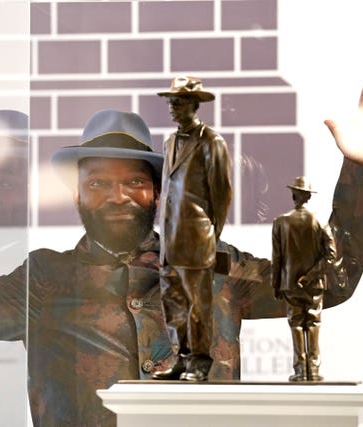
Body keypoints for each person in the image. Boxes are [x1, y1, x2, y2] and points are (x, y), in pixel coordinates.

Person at [0, 83, 363, 426]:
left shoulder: (214, 269)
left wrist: (361, 170)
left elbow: (324, 284)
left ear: (157, 195)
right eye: (97, 182)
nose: (116, 196)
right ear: (78, 196)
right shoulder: (45, 279)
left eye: (133, 182)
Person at [153, 76, 232, 381]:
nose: (173, 107)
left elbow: (222, 195)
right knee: (173, 302)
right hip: (170, 241)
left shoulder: (212, 142)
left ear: (195, 105)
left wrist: (210, 235)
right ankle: (181, 358)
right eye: (171, 102)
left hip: (197, 239)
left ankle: (200, 361)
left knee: (198, 306)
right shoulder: (170, 141)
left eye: (179, 102)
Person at [272, 177, 337, 382]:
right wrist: (312, 275)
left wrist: (275, 284)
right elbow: (332, 254)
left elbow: (277, 258)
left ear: (294, 195)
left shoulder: (281, 222)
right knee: (314, 323)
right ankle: (314, 370)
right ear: (308, 196)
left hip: (289, 283)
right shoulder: (319, 221)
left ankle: (301, 370)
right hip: (314, 284)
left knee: (296, 324)